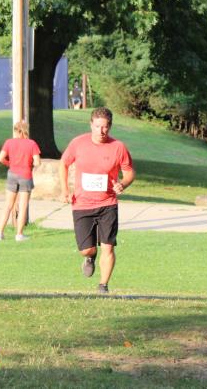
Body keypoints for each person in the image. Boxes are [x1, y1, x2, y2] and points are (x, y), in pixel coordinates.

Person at [59, 107, 135, 294]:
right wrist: (64, 190)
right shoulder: (78, 143)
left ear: (110, 126)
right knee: (86, 249)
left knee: (108, 247)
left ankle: (103, 285)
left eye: (105, 127)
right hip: (82, 204)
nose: (102, 131)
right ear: (91, 125)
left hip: (108, 204)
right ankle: (90, 257)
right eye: (98, 126)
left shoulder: (118, 147)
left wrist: (123, 184)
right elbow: (64, 163)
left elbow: (129, 172)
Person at [0, 120, 41, 242]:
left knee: (8, 205)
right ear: (26, 130)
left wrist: (10, 164)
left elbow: (0, 158)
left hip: (12, 174)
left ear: (16, 130)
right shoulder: (32, 144)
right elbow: (37, 162)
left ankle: (0, 233)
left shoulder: (9, 142)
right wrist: (30, 165)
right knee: (23, 206)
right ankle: (19, 234)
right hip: (25, 175)